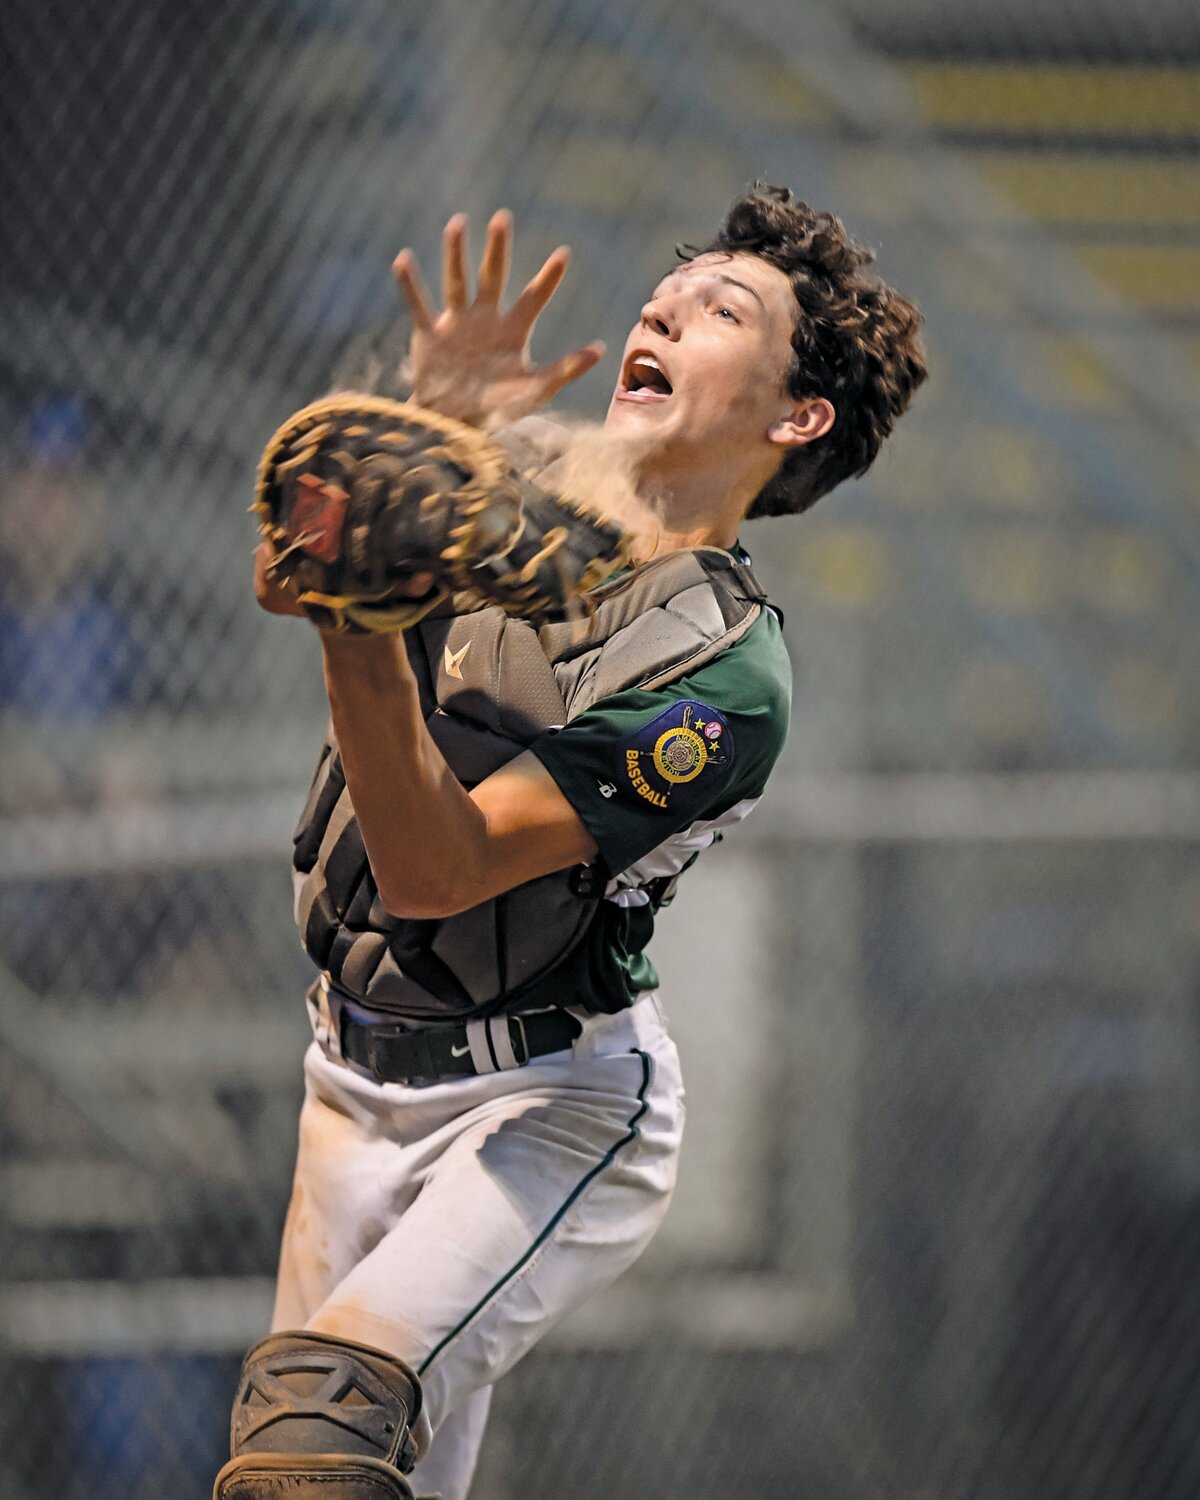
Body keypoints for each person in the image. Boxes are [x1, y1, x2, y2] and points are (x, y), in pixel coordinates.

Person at [217, 185, 927, 1500]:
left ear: (796, 417)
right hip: (347, 1075)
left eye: (725, 310)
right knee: (334, 1458)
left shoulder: (726, 675)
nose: (664, 305)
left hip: (541, 1106)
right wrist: (412, 433)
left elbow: (438, 872)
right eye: (673, 286)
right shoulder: (514, 481)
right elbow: (287, 561)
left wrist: (355, 615)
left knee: (314, 1431)